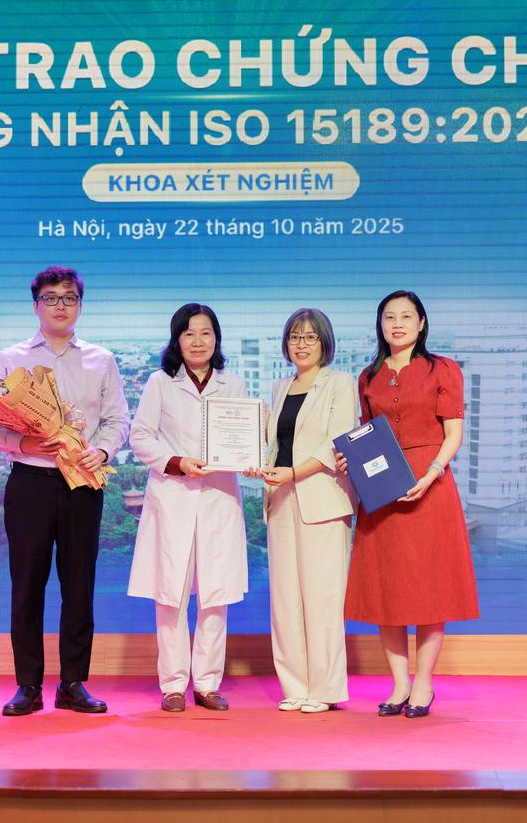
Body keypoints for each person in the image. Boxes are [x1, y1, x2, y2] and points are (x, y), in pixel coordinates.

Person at [0, 266, 130, 717]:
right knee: (27, 585)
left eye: (69, 298)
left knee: (79, 586)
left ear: (80, 305)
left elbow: (118, 419)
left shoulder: (102, 359)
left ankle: (73, 683)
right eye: (50, 297)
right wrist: (23, 444)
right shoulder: (10, 359)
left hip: (82, 482)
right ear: (36, 305)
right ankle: (27, 686)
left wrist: (102, 451)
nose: (60, 305)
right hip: (30, 482)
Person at [339, 290, 479, 718]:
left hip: (430, 486)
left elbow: (453, 433)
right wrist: (350, 459)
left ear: (421, 323)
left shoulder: (443, 369)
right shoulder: (368, 376)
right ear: (380, 325)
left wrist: (432, 472)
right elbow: (366, 434)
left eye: (405, 316)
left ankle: (423, 683)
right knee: (388, 588)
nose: (397, 324)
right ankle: (399, 684)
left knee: (430, 587)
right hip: (382, 491)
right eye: (389, 317)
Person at [128, 303, 248, 713]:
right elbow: (140, 437)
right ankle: (174, 684)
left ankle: (208, 683)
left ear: (217, 339)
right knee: (171, 593)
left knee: (216, 593)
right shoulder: (160, 382)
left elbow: (244, 438)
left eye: (206, 333)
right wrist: (177, 462)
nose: (198, 341)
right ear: (177, 339)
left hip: (218, 497)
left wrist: (250, 452)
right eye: (189, 333)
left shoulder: (233, 384)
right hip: (173, 496)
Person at [248, 308, 359, 714]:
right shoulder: (280, 387)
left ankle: (325, 689)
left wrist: (294, 473)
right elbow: (277, 443)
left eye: (310, 337)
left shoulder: (340, 383)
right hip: (281, 499)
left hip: (323, 500)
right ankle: (294, 686)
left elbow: (336, 442)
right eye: (295, 337)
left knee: (323, 598)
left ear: (324, 343)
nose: (301, 344)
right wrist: (252, 456)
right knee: (285, 599)